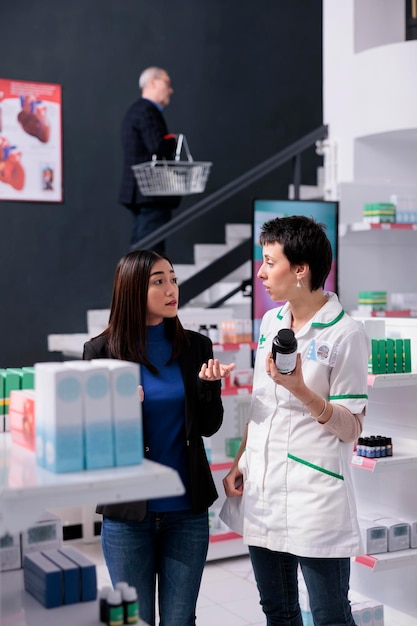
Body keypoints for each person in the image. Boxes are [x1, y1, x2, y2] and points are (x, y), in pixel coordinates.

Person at [221, 215, 370, 626]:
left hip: (314, 495)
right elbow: (259, 404)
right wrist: (239, 462)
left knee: (330, 615)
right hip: (263, 487)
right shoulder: (271, 322)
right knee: (279, 610)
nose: (260, 272)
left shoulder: (346, 333)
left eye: (269, 261)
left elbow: (352, 427)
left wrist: (302, 390)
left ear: (300, 269)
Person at [83, 249, 235, 626]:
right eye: (159, 281)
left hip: (187, 513)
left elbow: (208, 426)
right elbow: (93, 445)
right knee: (133, 623)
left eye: (173, 279)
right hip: (127, 514)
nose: (172, 290)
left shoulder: (197, 347)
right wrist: (121, 413)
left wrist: (208, 388)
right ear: (133, 289)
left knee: (180, 620)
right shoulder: (101, 352)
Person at [119, 67, 181, 254]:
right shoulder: (147, 110)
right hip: (151, 192)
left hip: (140, 192)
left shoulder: (135, 110)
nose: (171, 90)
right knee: (150, 252)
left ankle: (137, 282)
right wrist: (173, 142)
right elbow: (157, 146)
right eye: (167, 84)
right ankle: (144, 284)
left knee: (142, 248)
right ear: (153, 82)